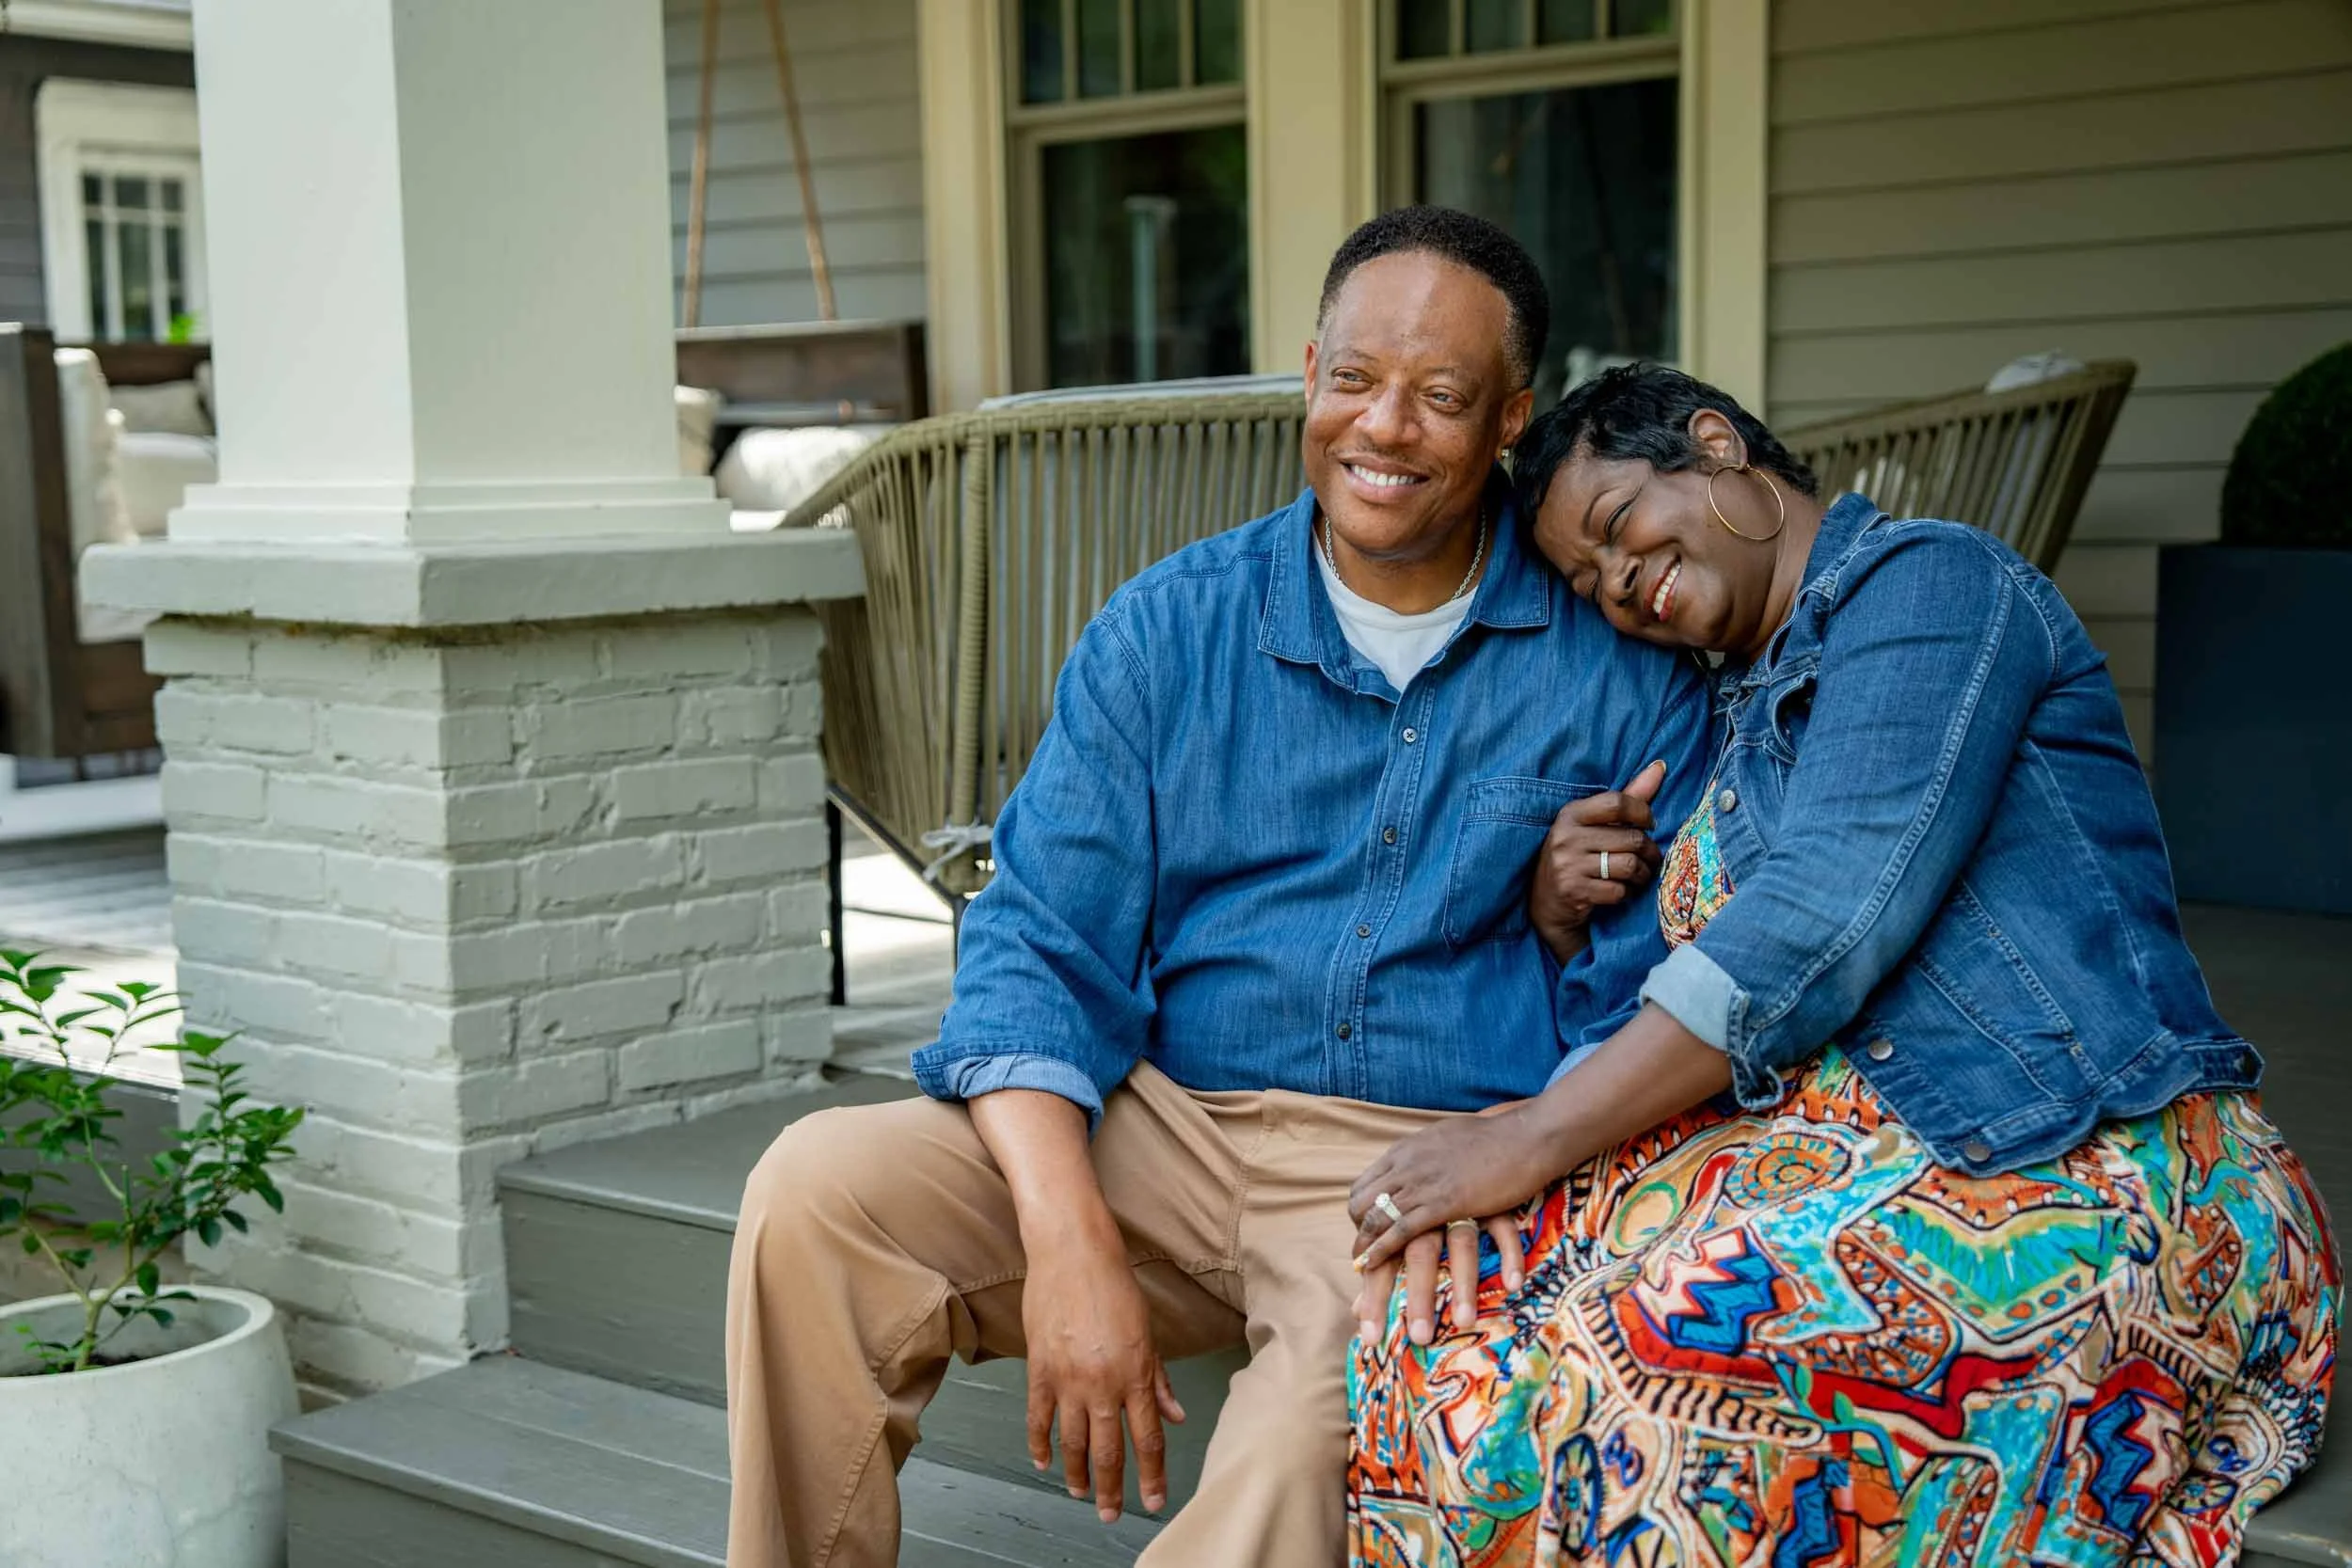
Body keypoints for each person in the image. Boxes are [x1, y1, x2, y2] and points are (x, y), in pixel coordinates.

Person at [723, 211, 1714, 1568]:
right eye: (1355, 378)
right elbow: (1035, 944)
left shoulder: (1615, 664)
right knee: (818, 1188)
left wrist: (1519, 1148)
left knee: (1316, 1433)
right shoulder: (1171, 627)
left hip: (1411, 1171)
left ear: (1508, 422)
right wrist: (1066, 1237)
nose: (1385, 426)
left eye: (1440, 396)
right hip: (1162, 1123)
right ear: (1310, 371)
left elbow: (1639, 991)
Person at [1343, 362, 2342, 1566]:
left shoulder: (1931, 587)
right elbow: (1637, 1013)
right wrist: (1567, 914)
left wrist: (1533, 1136)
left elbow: (1824, 911)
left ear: (1715, 445)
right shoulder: (1716, 723)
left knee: (1655, 1361)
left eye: (1615, 529)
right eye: (1586, 580)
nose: (1616, 587)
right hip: (1818, 1166)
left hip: (2076, 1159)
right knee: (1439, 1329)